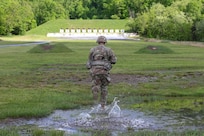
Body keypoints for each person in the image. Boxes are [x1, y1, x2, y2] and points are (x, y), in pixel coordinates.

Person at [86, 36, 117, 109]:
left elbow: (89, 61)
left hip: (94, 71)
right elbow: (113, 61)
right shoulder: (109, 50)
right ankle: (103, 105)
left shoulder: (92, 49)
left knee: (95, 86)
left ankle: (95, 104)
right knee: (104, 87)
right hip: (104, 71)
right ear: (105, 42)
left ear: (97, 42)